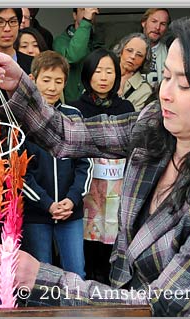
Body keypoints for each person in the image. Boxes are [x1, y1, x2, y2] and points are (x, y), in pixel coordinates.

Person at [0, 14, 190, 317]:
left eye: (185, 85)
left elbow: (160, 305)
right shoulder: (155, 126)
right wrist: (17, 84)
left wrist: (39, 278)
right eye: (165, 76)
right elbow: (69, 135)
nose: (166, 94)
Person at [21, 51, 93, 279]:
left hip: (70, 211)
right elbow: (20, 172)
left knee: (76, 272)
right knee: (41, 277)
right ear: (32, 80)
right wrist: (47, 204)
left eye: (58, 81)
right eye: (46, 80)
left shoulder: (73, 115)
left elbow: (85, 163)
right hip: (36, 212)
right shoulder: (21, 118)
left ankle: (77, 314)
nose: (52, 87)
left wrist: (72, 199)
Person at [68, 48, 133, 284]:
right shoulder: (76, 108)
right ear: (87, 75)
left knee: (114, 228)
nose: (104, 77)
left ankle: (109, 279)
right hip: (86, 183)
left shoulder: (126, 108)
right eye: (98, 71)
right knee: (87, 228)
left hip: (117, 184)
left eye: (109, 71)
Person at [53, 8, 104, 103]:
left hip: (94, 103)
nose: (89, 12)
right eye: (83, 9)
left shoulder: (97, 42)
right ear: (74, 15)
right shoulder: (61, 41)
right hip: (72, 104)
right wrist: (86, 21)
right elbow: (73, 57)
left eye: (91, 9)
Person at [113, 33, 154, 112]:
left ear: (144, 61)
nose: (133, 56)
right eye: (129, 50)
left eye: (139, 55)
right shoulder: (103, 74)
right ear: (121, 51)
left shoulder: (145, 90)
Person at [140, 8, 171, 90]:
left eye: (163, 24)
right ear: (144, 22)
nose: (157, 27)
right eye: (154, 21)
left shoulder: (170, 54)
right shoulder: (127, 49)